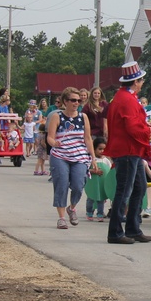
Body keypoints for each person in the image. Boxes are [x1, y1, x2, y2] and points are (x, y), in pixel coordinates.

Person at [104, 61, 151, 245]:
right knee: (124, 191)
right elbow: (132, 127)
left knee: (139, 187)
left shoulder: (126, 97)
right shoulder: (126, 100)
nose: (142, 83)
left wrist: (144, 126)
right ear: (136, 81)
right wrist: (148, 131)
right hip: (127, 149)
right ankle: (115, 232)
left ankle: (133, 229)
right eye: (141, 80)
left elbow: (131, 122)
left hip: (131, 149)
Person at [46, 87, 94, 230]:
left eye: (79, 100)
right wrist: (54, 143)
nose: (76, 103)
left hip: (79, 156)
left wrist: (93, 157)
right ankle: (61, 218)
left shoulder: (83, 117)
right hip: (60, 155)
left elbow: (88, 138)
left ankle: (72, 208)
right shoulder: (57, 116)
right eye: (73, 100)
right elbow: (49, 136)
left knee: (79, 185)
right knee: (61, 185)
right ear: (65, 101)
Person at [85, 136, 110, 221]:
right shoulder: (91, 160)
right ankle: (89, 212)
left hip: (101, 184)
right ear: (94, 149)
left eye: (104, 149)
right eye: (100, 149)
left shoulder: (106, 160)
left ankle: (100, 214)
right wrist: (93, 171)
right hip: (92, 184)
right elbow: (86, 169)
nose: (102, 151)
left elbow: (109, 171)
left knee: (101, 199)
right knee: (91, 198)